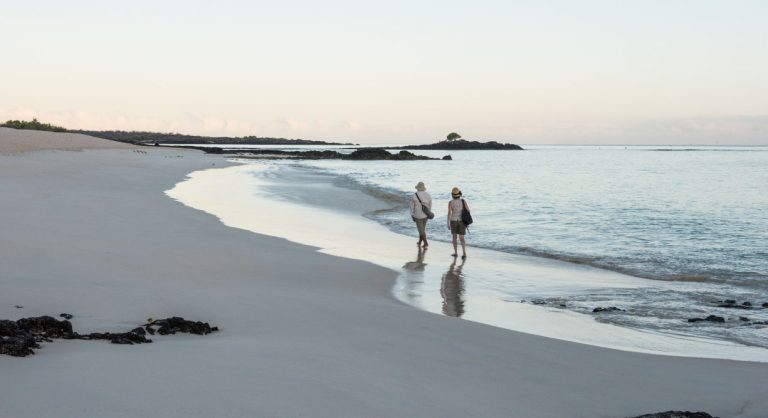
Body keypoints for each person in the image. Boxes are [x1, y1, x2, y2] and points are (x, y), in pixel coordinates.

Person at [446, 187, 469, 259]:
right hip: (462, 221)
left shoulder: (450, 202)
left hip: (453, 221)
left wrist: (448, 223)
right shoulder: (463, 201)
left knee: (454, 237)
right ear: (459, 194)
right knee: (462, 238)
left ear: (452, 195)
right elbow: (468, 211)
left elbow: (449, 213)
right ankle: (464, 253)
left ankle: (456, 252)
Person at [409, 181, 432, 247]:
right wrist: (428, 212)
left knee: (421, 230)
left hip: (418, 215)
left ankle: (426, 243)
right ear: (423, 188)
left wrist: (412, 214)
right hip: (425, 215)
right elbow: (430, 205)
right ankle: (420, 241)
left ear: (418, 188)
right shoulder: (428, 195)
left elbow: (411, 206)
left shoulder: (414, 195)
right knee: (422, 229)